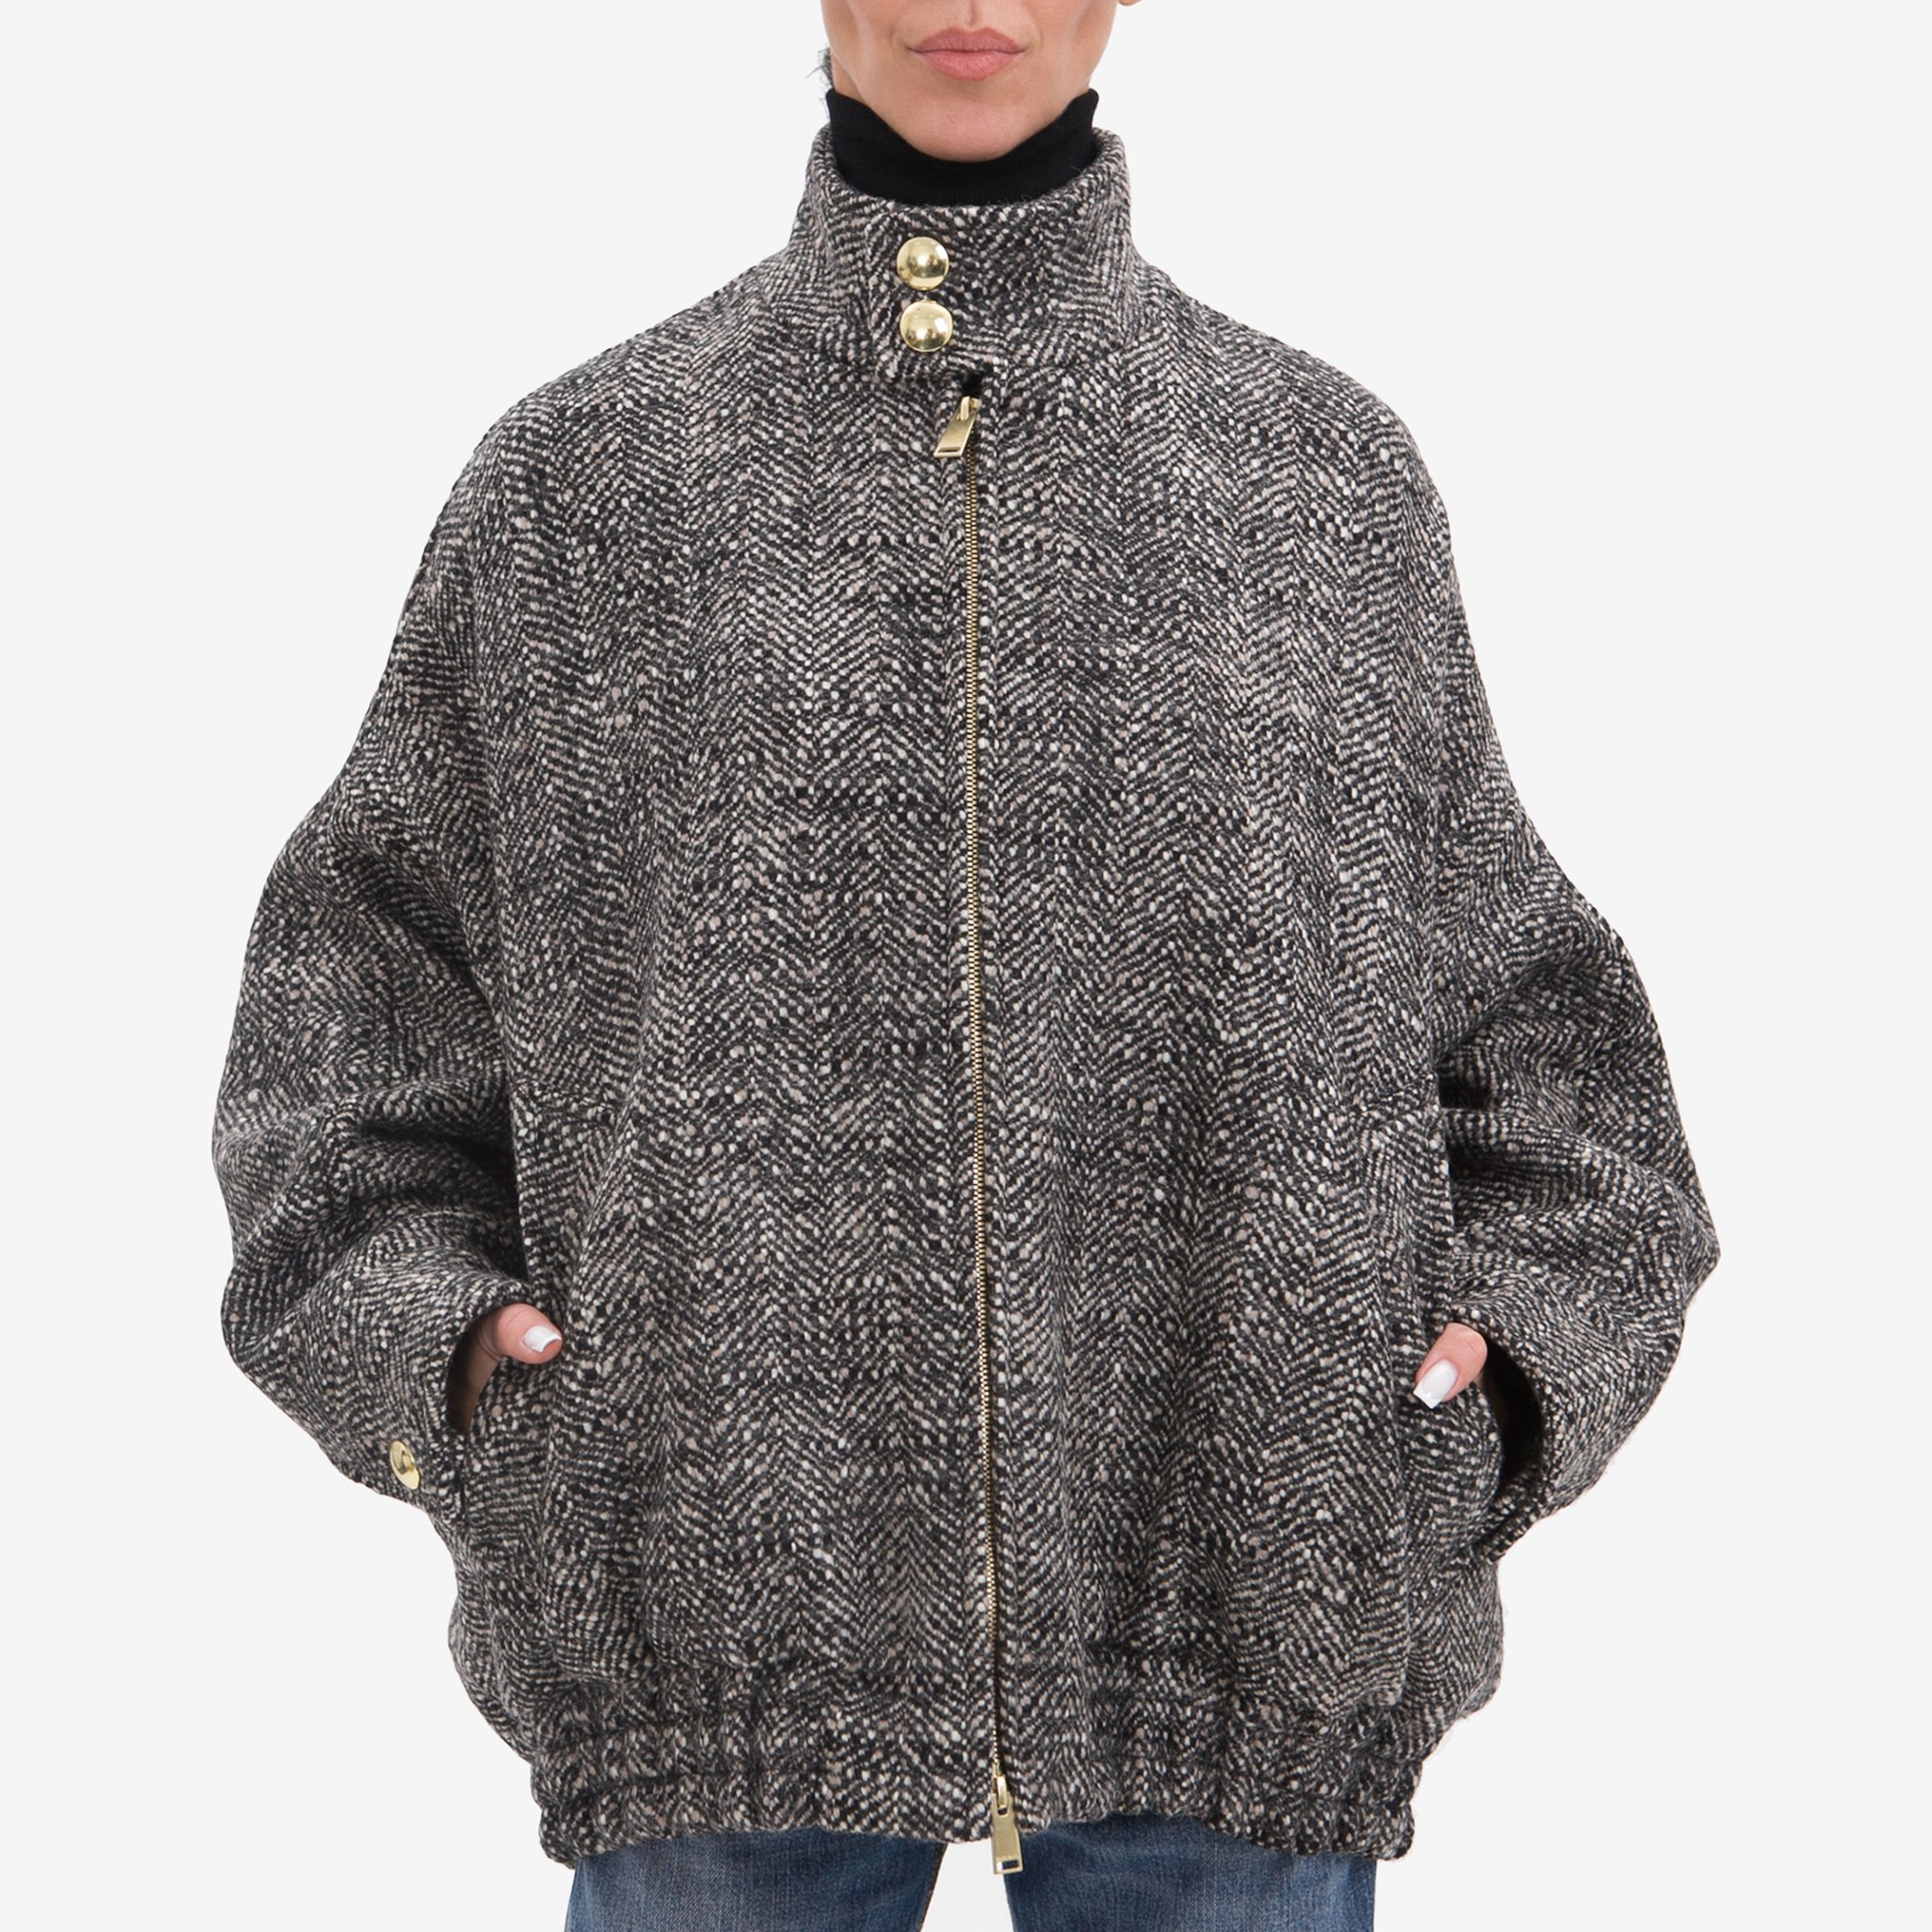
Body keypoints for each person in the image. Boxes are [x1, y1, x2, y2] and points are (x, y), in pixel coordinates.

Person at [209, 6, 1721, 1929]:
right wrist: (458, 1369)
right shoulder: (580, 487)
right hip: (708, 1627)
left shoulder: (1320, 483)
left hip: (1249, 1625)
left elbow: (1553, 1057)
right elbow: (351, 1020)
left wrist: (1496, 1394)